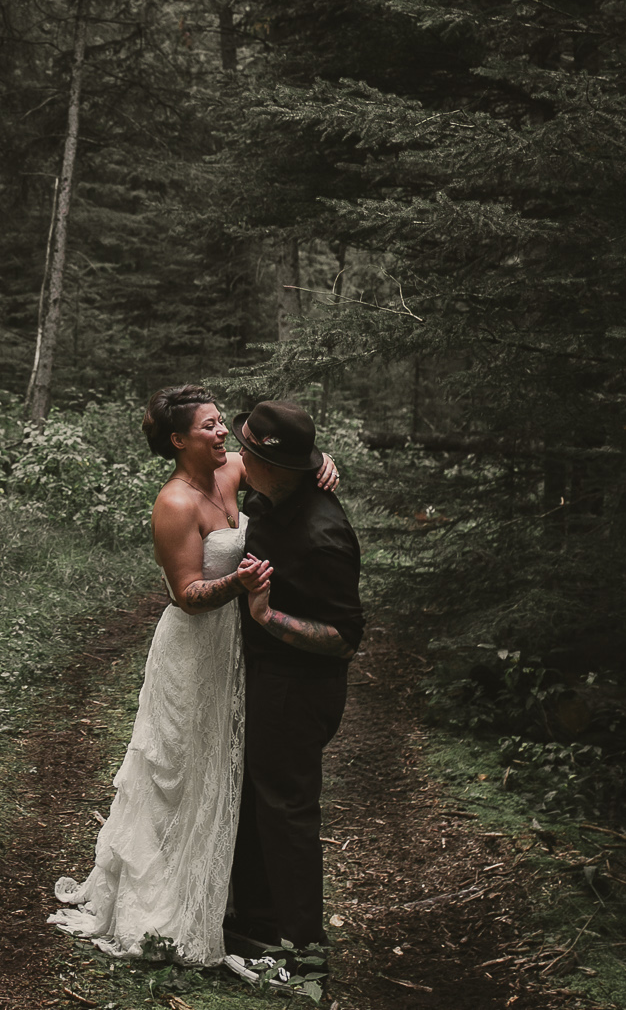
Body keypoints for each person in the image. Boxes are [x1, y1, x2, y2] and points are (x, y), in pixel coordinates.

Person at [49, 385, 337, 967]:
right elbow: (186, 594)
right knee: (178, 769)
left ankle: (225, 893)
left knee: (222, 766)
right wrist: (240, 584)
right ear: (180, 440)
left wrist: (323, 464)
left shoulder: (231, 472)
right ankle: (161, 900)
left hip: (235, 647)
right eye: (209, 426)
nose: (223, 433)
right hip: (193, 649)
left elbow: (280, 465)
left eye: (220, 424)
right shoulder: (175, 504)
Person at [222, 399, 366, 980]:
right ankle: (254, 926)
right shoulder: (272, 494)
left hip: (299, 688)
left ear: (269, 463)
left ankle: (305, 956)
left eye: (247, 450)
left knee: (287, 811)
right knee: (256, 802)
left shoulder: (322, 534)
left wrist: (267, 617)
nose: (238, 456)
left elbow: (344, 637)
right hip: (266, 677)